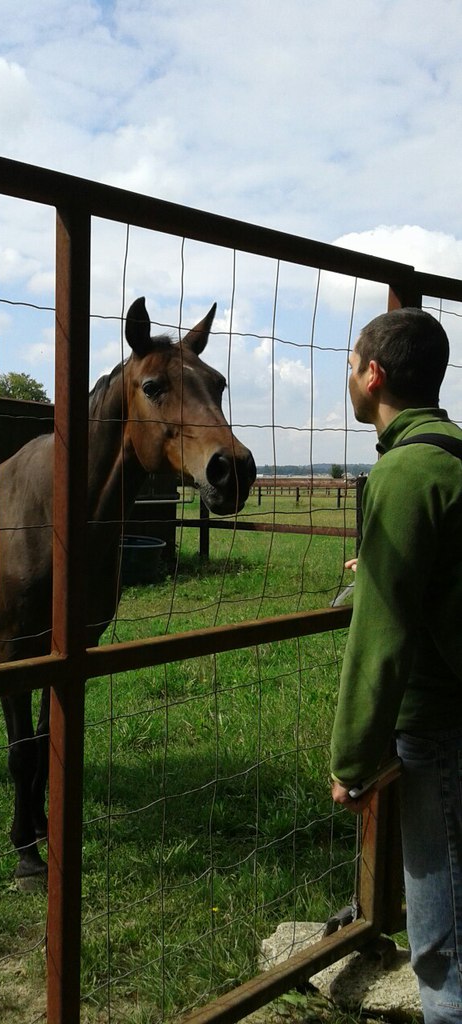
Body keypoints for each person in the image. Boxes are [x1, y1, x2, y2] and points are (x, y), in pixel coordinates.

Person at [330, 306, 462, 1022]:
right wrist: (380, 556)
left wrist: (353, 763)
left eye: (351, 365)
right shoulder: (451, 459)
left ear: (373, 375)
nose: (347, 378)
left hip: (438, 723)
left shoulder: (406, 474)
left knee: (442, 950)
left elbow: (380, 638)